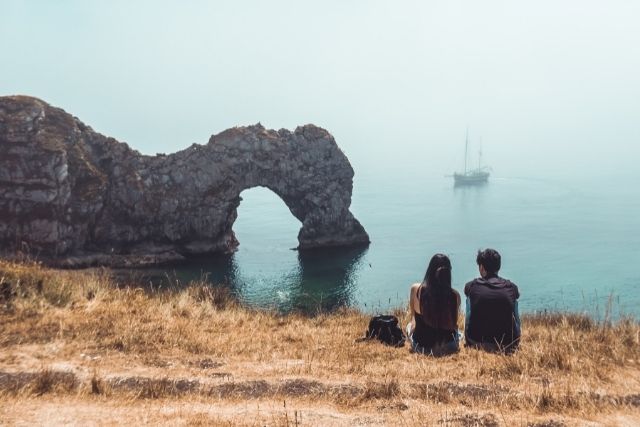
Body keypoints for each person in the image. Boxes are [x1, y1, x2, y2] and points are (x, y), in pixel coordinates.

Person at [464, 248, 521, 353]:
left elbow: (466, 293)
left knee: (469, 299)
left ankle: (468, 336)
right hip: (509, 343)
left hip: (476, 342)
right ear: (498, 266)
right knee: (514, 302)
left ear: (481, 267)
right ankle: (516, 336)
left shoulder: (471, 286)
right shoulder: (511, 287)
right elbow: (517, 295)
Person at [407, 254, 461, 355]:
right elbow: (454, 325)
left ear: (429, 270)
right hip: (448, 345)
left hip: (422, 346)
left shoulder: (416, 290)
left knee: (409, 325)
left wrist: (414, 323)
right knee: (459, 333)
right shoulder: (454, 295)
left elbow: (413, 316)